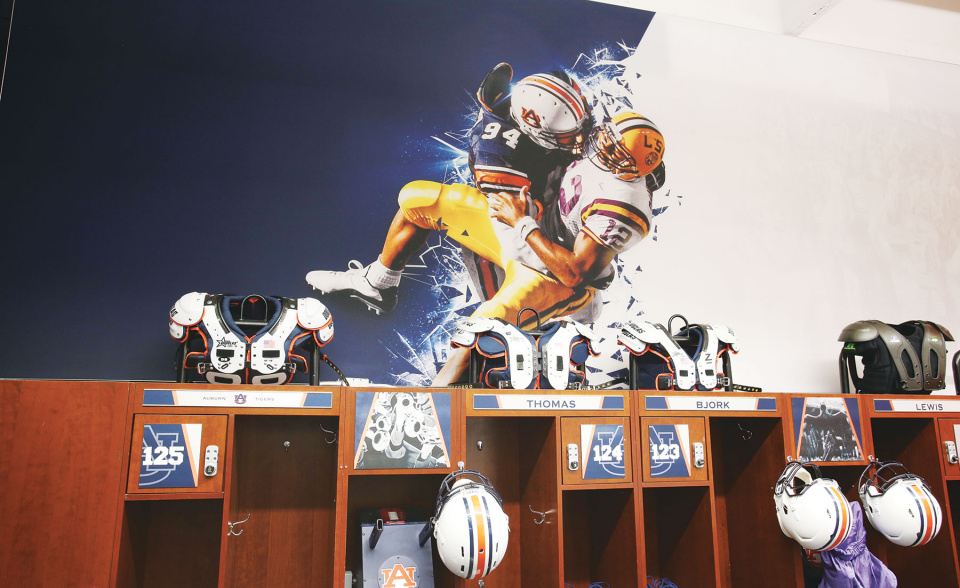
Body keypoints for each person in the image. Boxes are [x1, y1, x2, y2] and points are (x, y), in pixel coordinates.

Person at [305, 63, 593, 315]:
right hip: (529, 236)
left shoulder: (549, 96)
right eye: (567, 136)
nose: (579, 136)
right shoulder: (496, 153)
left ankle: (377, 282)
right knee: (506, 316)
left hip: (562, 223)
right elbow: (519, 225)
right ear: (534, 131)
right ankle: (379, 285)